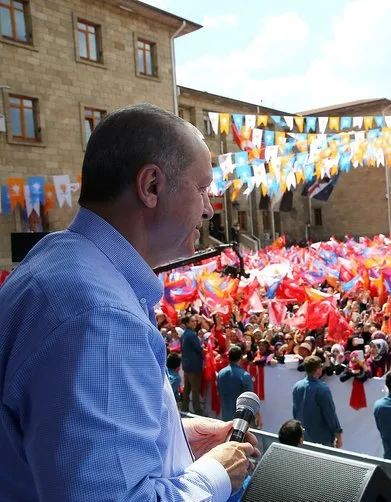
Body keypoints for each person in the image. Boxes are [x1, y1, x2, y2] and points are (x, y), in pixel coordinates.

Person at [0, 104, 259, 500]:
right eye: (202, 188)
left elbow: (63, 444)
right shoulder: (99, 317)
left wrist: (175, 436)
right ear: (152, 186)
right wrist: (217, 473)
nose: (209, 209)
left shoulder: (62, 263)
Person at [292, 356, 343, 448]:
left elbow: (295, 412)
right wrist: (338, 434)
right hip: (321, 440)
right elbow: (330, 413)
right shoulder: (322, 389)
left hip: (303, 438)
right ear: (317, 369)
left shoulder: (297, 386)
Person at [217, 345, 263, 429]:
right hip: (241, 422)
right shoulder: (245, 375)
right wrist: (258, 417)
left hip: (226, 417)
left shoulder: (221, 373)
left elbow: (219, 393)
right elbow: (251, 400)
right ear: (241, 357)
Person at [180, 314, 205, 415]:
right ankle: (198, 411)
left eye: (195, 321)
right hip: (194, 366)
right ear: (187, 323)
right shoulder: (192, 335)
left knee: (187, 389)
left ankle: (184, 408)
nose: (195, 323)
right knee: (195, 389)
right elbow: (199, 349)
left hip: (186, 365)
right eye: (192, 321)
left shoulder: (184, 334)